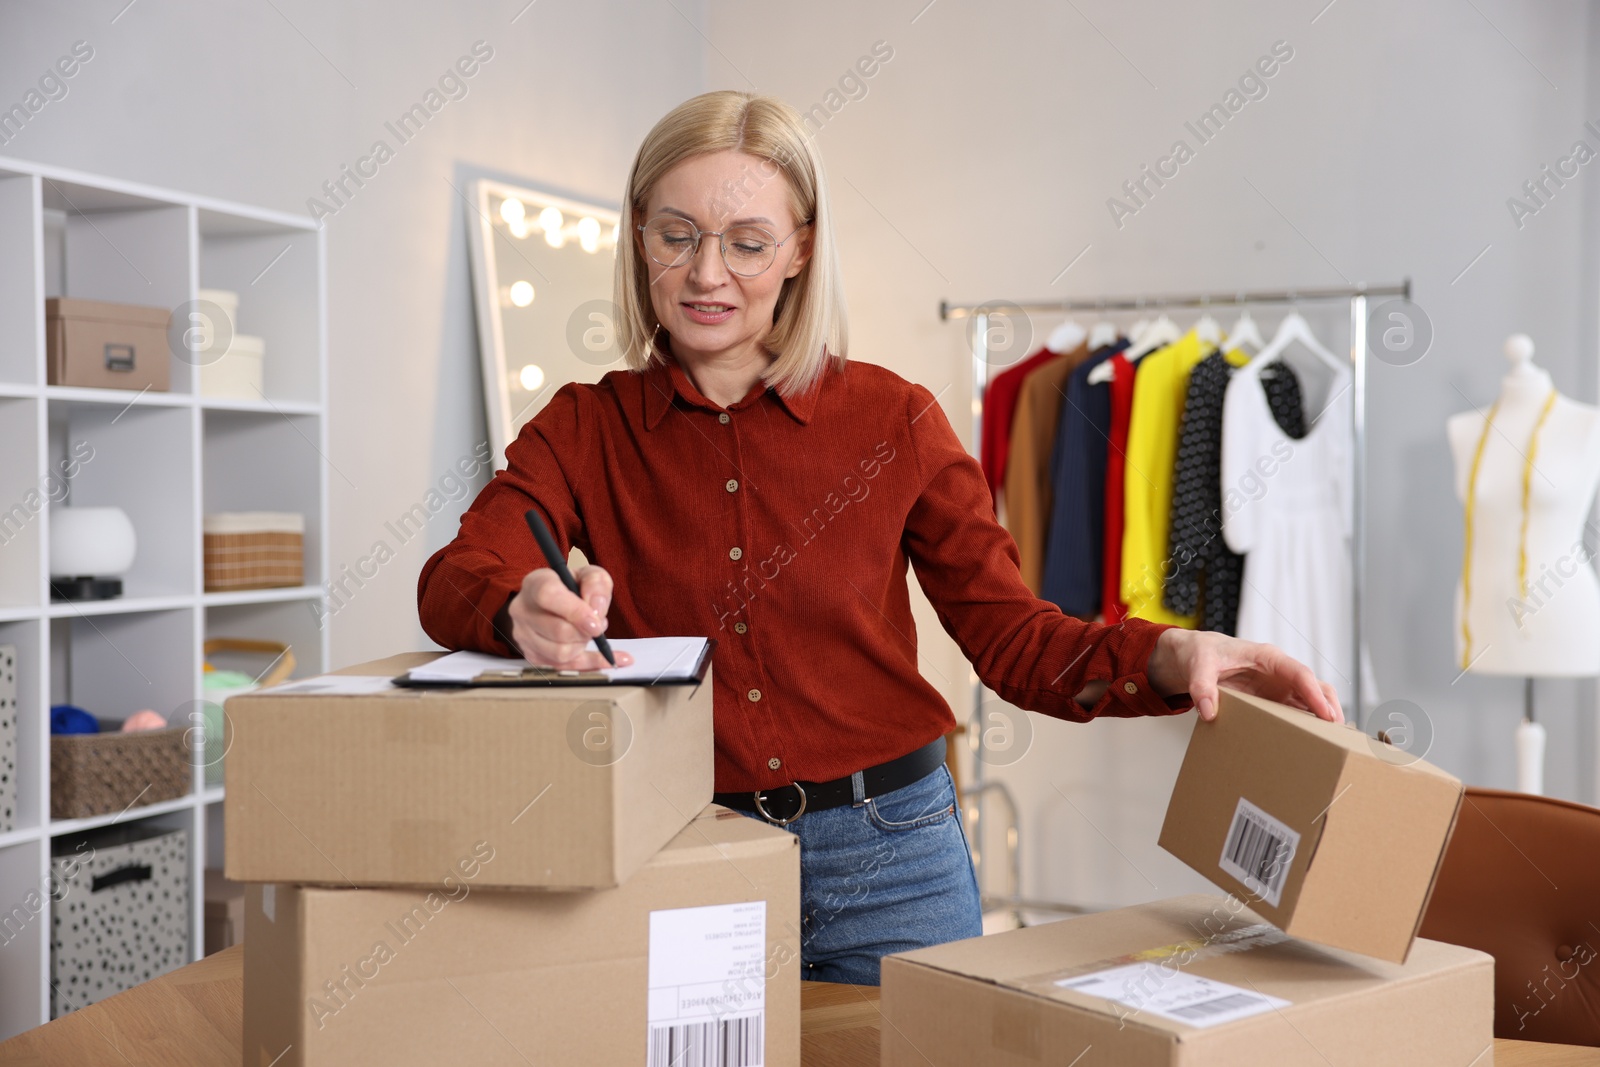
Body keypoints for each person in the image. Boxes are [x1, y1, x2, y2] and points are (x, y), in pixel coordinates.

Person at [418, 90, 1342, 985]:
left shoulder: (897, 419)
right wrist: (514, 608)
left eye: (747, 244)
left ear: (800, 253)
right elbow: (459, 572)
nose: (707, 275)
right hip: (688, 853)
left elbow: (1017, 643)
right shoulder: (586, 428)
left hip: (897, 861)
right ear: (637, 236)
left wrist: (1175, 654)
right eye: (677, 236)